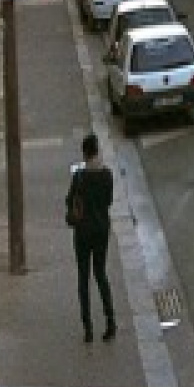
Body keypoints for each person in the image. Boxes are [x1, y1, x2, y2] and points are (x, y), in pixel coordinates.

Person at [65, 133, 116, 343]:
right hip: (101, 230)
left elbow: (70, 201)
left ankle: (88, 328)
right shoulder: (107, 175)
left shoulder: (79, 177)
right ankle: (110, 320)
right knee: (101, 274)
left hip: (83, 232)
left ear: (85, 154)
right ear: (97, 151)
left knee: (83, 278)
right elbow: (109, 201)